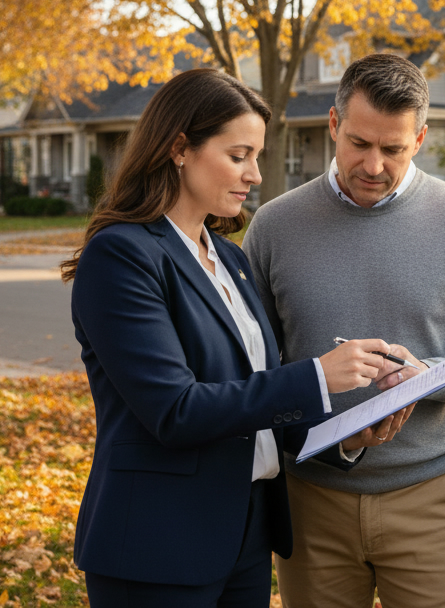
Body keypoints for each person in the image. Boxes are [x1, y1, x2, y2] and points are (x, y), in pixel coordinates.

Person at [63, 68, 411, 607]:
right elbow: (174, 410)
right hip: (157, 541)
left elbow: (253, 401)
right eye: (238, 155)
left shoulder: (229, 258)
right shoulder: (123, 256)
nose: (255, 175)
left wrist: (341, 436)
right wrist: (317, 375)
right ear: (180, 148)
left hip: (245, 535)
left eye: (257, 157)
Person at [244, 53, 445, 608]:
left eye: (392, 149)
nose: (373, 165)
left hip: (427, 500)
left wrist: (431, 376)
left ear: (419, 139)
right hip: (310, 499)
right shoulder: (273, 225)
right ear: (333, 125)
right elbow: (255, 366)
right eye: (359, 143)